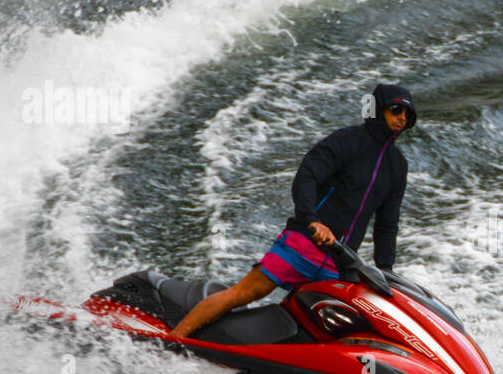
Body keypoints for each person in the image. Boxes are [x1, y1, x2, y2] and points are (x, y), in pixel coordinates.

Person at [168, 83, 416, 339]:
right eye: (396, 110)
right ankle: (172, 341)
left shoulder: (398, 166)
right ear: (378, 110)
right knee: (244, 293)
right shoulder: (346, 140)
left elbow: (387, 222)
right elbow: (306, 177)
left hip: (338, 263)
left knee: (327, 331)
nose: (401, 118)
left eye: (407, 115)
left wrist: (386, 269)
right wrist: (312, 221)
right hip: (302, 244)